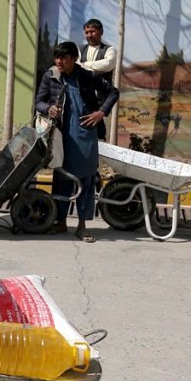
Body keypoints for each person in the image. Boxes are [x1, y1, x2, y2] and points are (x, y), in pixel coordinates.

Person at [35, 41, 119, 243]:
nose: (59, 61)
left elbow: (113, 92)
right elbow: (39, 101)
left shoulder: (87, 76)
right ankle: (61, 222)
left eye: (64, 58)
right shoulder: (51, 76)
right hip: (61, 136)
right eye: (57, 57)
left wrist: (101, 113)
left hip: (85, 137)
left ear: (74, 59)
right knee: (61, 176)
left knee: (86, 179)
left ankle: (82, 225)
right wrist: (48, 109)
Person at [79, 18, 117, 139]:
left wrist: (85, 65)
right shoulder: (80, 50)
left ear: (101, 32)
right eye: (87, 32)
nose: (89, 35)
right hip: (84, 100)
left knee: (100, 136)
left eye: (92, 31)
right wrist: (96, 68)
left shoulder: (109, 50)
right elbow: (75, 65)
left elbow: (109, 64)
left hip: (102, 103)